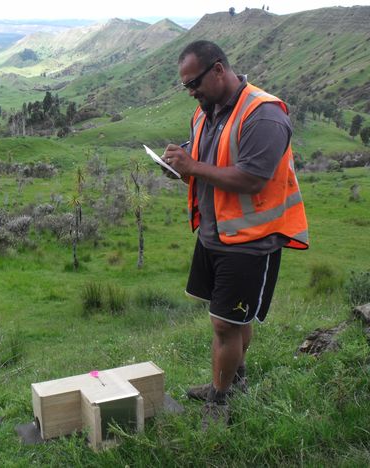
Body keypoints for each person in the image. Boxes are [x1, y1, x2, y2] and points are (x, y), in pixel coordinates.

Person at [162, 40, 309, 427]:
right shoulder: (205, 112)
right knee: (235, 318)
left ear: (218, 70)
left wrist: (193, 167)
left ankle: (220, 400)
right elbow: (206, 164)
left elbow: (252, 179)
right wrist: (182, 167)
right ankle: (234, 380)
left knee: (224, 324)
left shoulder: (264, 114)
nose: (191, 92)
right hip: (215, 235)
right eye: (185, 87)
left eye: (194, 83)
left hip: (251, 240)